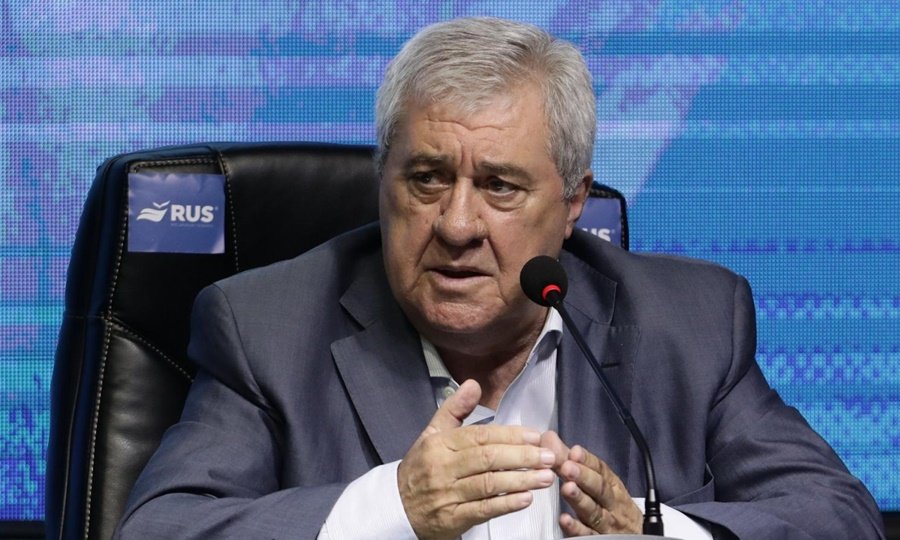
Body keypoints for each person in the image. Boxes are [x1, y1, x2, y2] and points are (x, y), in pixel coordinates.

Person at [115, 17, 884, 539]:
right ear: (383, 181)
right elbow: (160, 528)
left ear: (573, 202)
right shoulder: (267, 327)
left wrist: (655, 532)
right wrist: (391, 509)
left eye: (500, 186)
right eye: (426, 178)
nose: (456, 224)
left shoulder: (690, 322)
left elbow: (840, 518)